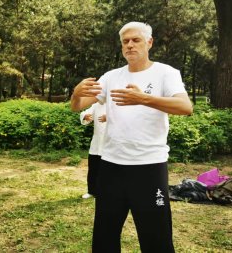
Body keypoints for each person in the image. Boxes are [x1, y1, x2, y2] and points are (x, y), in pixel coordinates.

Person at [70, 22, 193, 252]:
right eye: (125, 41)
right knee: (104, 234)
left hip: (149, 168)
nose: (129, 45)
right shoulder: (111, 76)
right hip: (111, 167)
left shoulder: (166, 73)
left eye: (135, 40)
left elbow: (186, 107)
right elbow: (78, 106)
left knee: (156, 236)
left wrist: (144, 99)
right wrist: (76, 94)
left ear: (149, 42)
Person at [79, 102, 106, 199]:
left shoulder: (117, 104)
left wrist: (110, 118)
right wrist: (85, 116)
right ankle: (91, 191)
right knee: (93, 168)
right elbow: (86, 113)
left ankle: (105, 192)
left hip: (110, 143)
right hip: (97, 143)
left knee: (108, 170)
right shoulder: (97, 105)